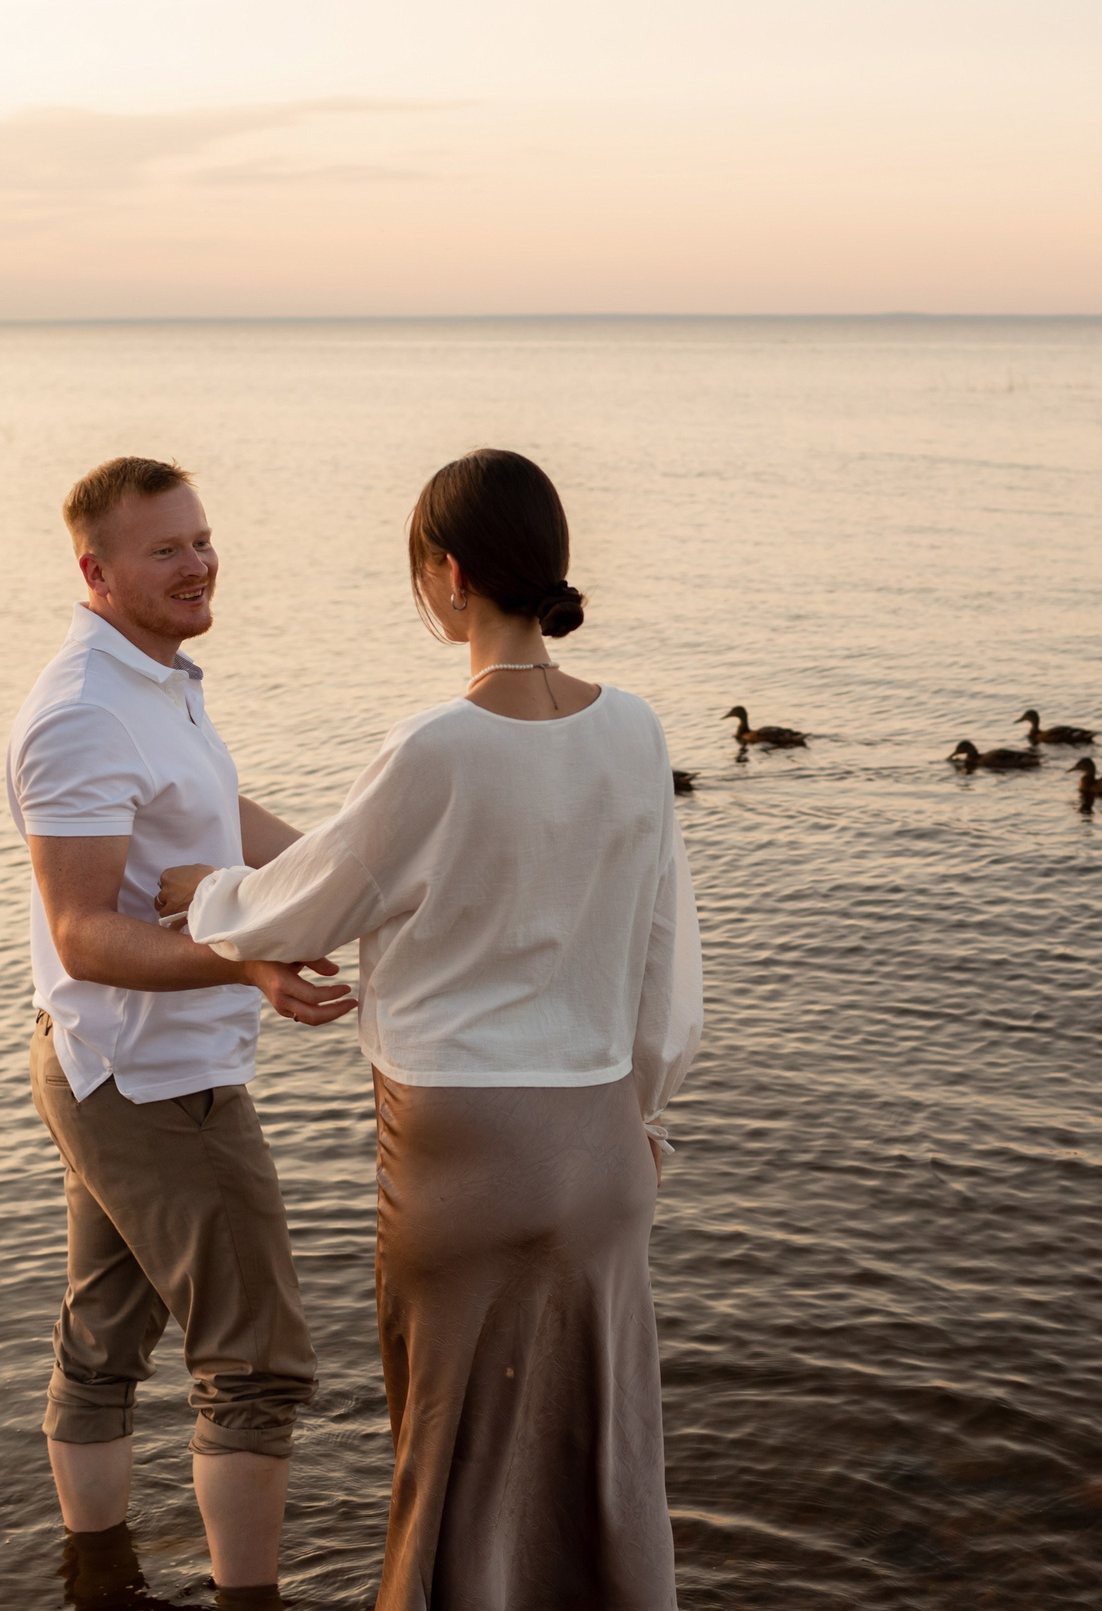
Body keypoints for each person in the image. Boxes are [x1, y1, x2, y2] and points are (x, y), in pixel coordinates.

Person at [155, 448, 704, 1611]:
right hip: (605, 1142)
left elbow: (312, 895)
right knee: (597, 1442)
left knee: (448, 1452)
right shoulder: (640, 732)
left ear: (448, 575)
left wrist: (203, 893)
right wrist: (645, 1118)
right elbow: (664, 960)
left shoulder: (435, 746)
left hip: (462, 1151)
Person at [7, 456, 355, 1611]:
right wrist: (247, 960)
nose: (199, 563)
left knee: (103, 1336)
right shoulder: (81, 714)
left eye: (201, 539)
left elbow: (224, 817)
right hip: (152, 1080)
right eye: (167, 549)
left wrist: (360, 880)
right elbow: (86, 931)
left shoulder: (158, 681)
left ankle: (95, 1579)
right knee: (256, 1363)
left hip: (103, 1061)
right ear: (94, 572)